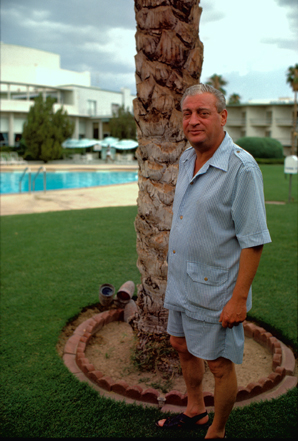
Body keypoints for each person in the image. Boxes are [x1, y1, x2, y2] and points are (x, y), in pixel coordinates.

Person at [156, 84, 271, 438]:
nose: (193, 120)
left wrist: (238, 300)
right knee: (181, 344)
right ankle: (195, 411)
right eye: (187, 113)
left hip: (215, 290)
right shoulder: (187, 157)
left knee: (219, 365)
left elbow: (253, 242)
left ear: (222, 116)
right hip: (180, 280)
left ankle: (217, 431)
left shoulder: (242, 169)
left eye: (202, 113)